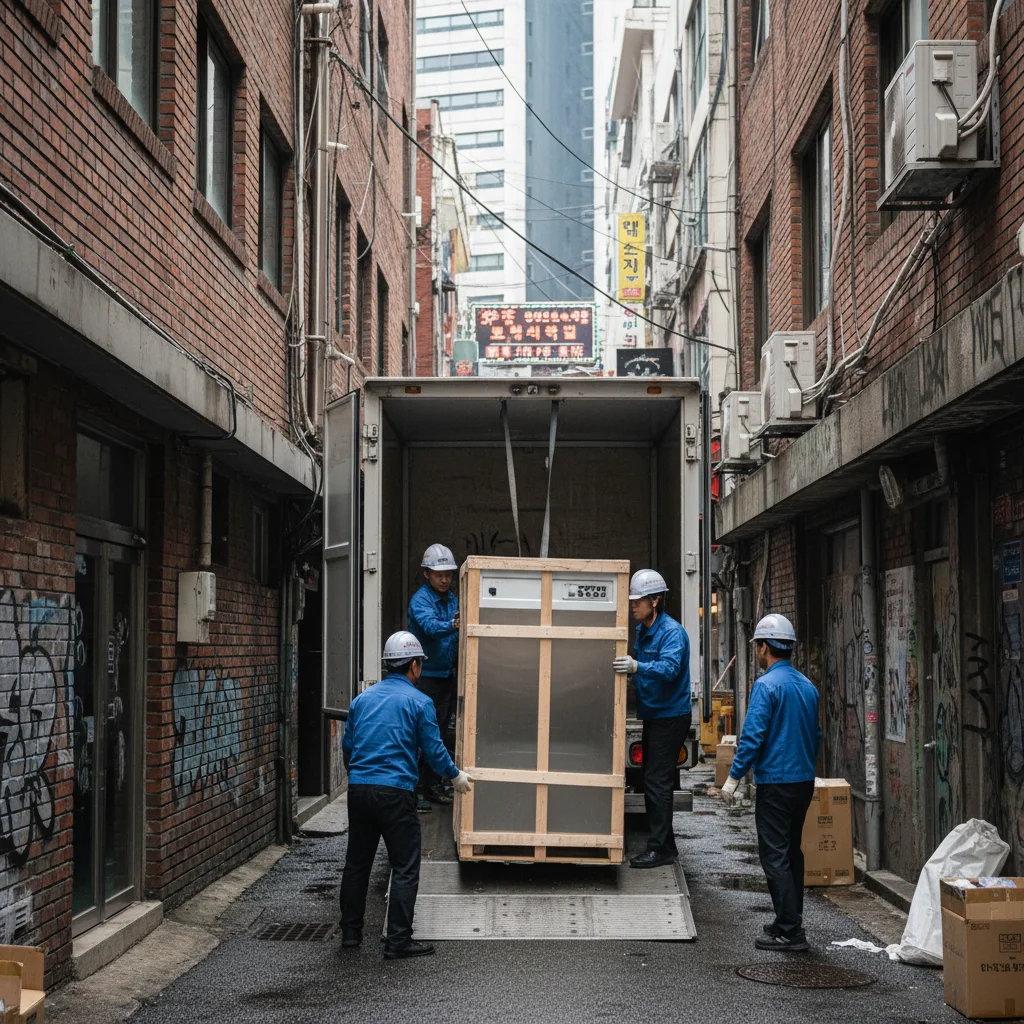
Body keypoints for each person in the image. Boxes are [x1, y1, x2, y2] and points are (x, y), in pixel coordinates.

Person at [340, 631, 473, 959]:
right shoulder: (419, 702)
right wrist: (455, 777)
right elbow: (433, 749)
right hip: (396, 792)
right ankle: (398, 941)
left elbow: (349, 747)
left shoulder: (362, 700)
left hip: (359, 790)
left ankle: (350, 935)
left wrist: (359, 777)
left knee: (357, 864)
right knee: (404, 865)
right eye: (420, 664)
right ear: (414, 666)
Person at [721, 613, 822, 953]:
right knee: (791, 851)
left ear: (764, 647)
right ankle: (786, 920)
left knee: (775, 856)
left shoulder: (766, 686)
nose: (757, 651)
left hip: (776, 782)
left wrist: (733, 779)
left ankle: (791, 931)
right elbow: (816, 735)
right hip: (802, 781)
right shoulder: (808, 687)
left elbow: (752, 736)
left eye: (757, 646)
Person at [612, 569, 691, 869]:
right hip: (653, 714)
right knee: (651, 779)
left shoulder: (672, 633)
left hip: (670, 716)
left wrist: (636, 667)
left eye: (639, 600)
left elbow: (669, 670)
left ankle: (659, 848)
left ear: (655, 601)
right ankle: (666, 843)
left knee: (657, 782)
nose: (633, 605)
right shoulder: (642, 630)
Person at [407, 543, 461, 811]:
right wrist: (453, 624)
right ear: (427, 574)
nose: (444, 579)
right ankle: (413, 790)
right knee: (420, 733)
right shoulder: (421, 600)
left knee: (437, 733)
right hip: (424, 677)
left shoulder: (453, 600)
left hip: (446, 677)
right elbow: (429, 628)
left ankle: (432, 786)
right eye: (439, 574)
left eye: (448, 574)